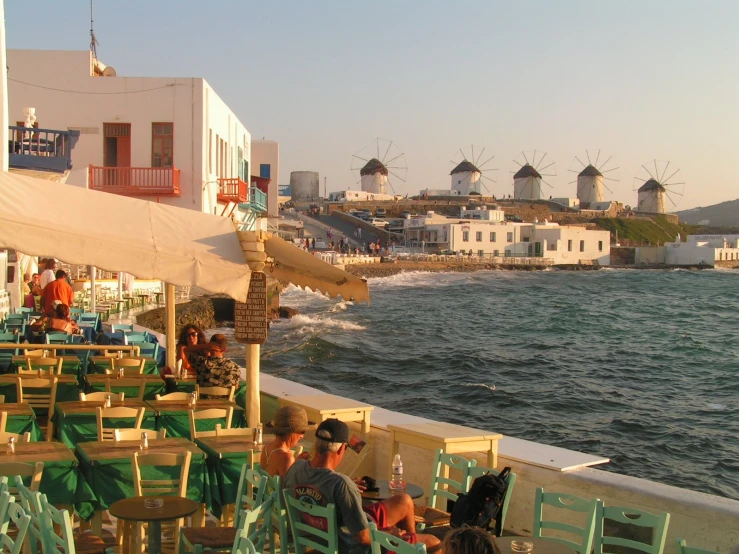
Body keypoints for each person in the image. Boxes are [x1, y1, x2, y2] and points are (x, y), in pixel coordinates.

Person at [284, 419, 441, 554]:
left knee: (404, 501)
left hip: (334, 528)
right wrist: (391, 534)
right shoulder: (341, 485)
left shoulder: (297, 468)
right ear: (341, 449)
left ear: (317, 445)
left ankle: (405, 549)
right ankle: (404, 546)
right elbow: (362, 537)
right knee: (433, 542)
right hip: (353, 545)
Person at [260, 406, 313, 479]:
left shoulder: (266, 448)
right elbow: (290, 488)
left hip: (268, 490)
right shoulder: (286, 458)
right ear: (291, 432)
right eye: (302, 431)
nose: (302, 436)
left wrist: (296, 462)